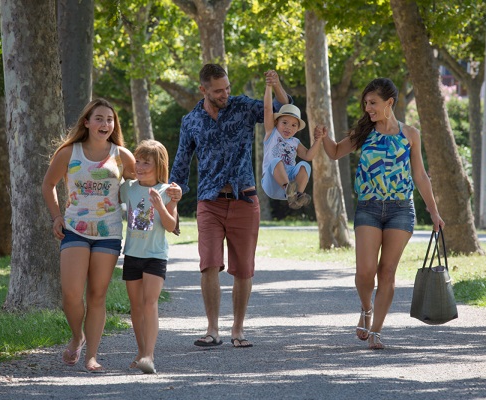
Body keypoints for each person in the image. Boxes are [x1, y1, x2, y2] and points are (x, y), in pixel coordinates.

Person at [170, 64, 292, 348]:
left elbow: (281, 109)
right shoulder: (191, 121)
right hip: (209, 202)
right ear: (203, 90)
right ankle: (213, 330)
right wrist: (172, 206)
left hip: (244, 200)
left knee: (243, 269)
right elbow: (180, 165)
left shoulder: (243, 107)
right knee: (208, 264)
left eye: (227, 88)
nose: (225, 93)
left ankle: (238, 329)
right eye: (218, 90)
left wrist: (276, 85)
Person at [321, 78, 445, 350]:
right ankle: (366, 309)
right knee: (365, 272)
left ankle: (376, 330)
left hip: (401, 210)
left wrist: (434, 212)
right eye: (366, 103)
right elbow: (335, 152)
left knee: (387, 271)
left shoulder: (410, 134)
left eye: (373, 103)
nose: (368, 108)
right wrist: (323, 137)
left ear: (389, 103)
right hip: (369, 207)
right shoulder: (364, 132)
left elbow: (421, 176)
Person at [42, 98, 136, 372]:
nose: (105, 124)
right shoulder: (69, 152)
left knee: (97, 294)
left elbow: (137, 186)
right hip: (74, 230)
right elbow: (48, 185)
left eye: (109, 119)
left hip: (108, 232)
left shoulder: (122, 155)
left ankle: (91, 355)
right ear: (86, 122)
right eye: (99, 118)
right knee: (71, 293)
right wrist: (56, 217)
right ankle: (77, 336)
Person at [119, 139, 180, 374]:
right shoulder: (128, 188)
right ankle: (140, 350)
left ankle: (149, 355)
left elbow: (170, 224)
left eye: (147, 163)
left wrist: (161, 205)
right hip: (132, 254)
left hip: (155, 255)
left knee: (150, 303)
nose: (140, 166)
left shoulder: (168, 190)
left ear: (159, 166)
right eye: (138, 161)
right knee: (135, 306)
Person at [262, 73, 323, 209]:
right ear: (276, 122)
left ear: (297, 129)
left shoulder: (295, 142)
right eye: (285, 122)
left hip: (290, 181)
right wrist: (268, 86)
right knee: (276, 161)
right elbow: (267, 109)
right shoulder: (272, 133)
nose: (288, 127)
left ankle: (297, 196)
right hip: (271, 182)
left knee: (305, 165)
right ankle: (289, 190)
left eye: (293, 125)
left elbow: (309, 156)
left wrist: (318, 139)